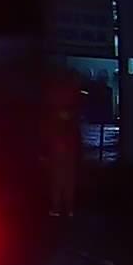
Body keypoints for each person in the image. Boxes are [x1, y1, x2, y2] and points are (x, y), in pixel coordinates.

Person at [42, 69, 82, 217]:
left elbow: (48, 127)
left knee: (57, 177)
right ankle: (68, 207)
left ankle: (57, 207)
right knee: (68, 177)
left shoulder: (53, 103)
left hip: (58, 143)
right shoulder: (73, 102)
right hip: (68, 143)